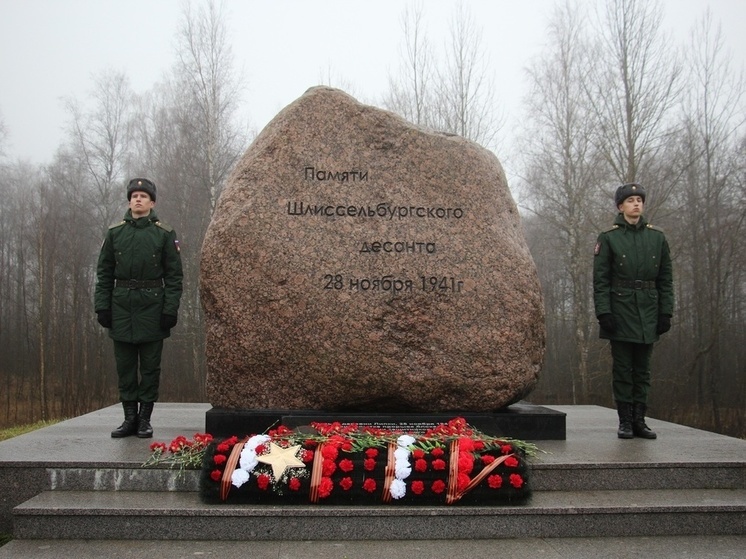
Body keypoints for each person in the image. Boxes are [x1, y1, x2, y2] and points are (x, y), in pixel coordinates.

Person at [95, 178, 183, 438]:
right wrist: (103, 307)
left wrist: (170, 309)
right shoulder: (115, 233)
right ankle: (129, 419)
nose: (138, 199)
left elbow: (175, 277)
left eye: (143, 196)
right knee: (125, 368)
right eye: (134, 196)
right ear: (129, 201)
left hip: (152, 308)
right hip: (121, 306)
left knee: (150, 367)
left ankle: (145, 420)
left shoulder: (164, 233)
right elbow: (104, 273)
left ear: (152, 202)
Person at [593, 183, 673, 440]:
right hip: (620, 310)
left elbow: (666, 279)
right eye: (630, 200)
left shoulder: (657, 237)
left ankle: (640, 420)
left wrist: (665, 313)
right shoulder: (609, 237)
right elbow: (601, 280)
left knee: (643, 370)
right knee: (623, 369)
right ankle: (625, 420)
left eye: (639, 199)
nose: (636, 204)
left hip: (648, 309)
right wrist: (604, 313)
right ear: (620, 206)